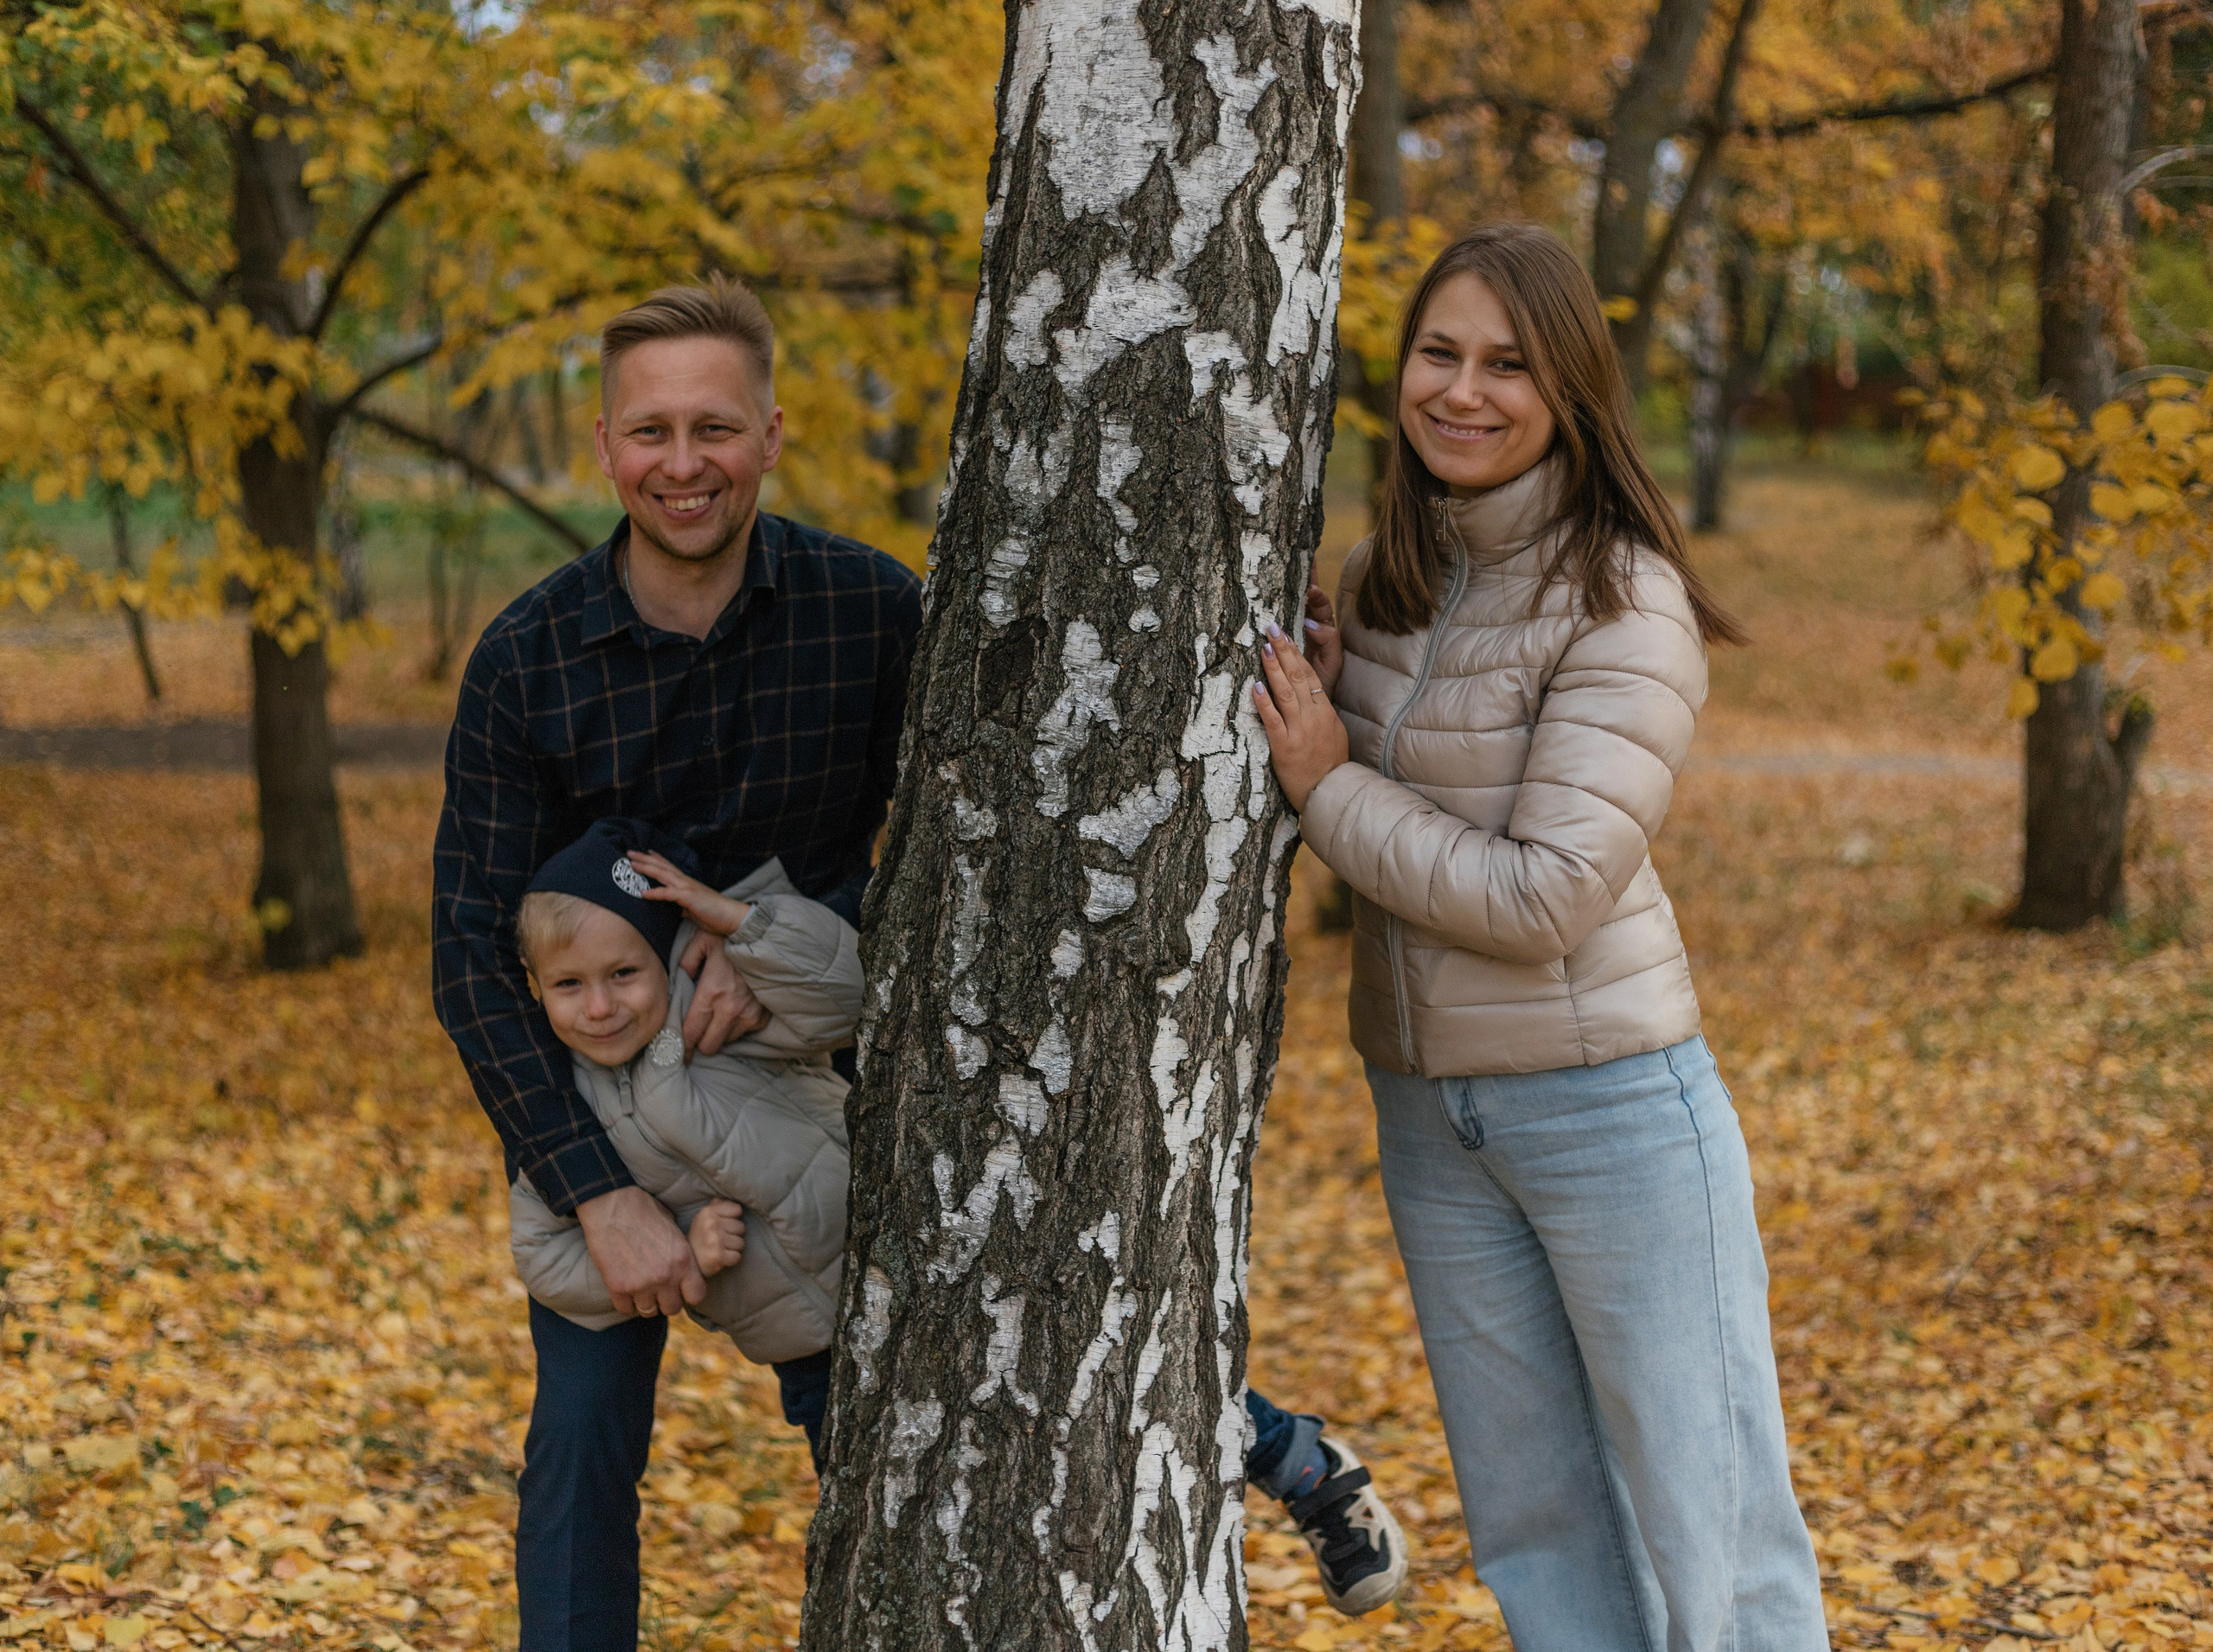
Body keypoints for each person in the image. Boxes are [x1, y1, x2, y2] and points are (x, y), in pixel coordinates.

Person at [432, 277, 1406, 1651]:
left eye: (714, 426)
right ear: (605, 448)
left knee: (895, 1418)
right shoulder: (527, 659)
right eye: (649, 432)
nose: (683, 462)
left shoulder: (869, 611)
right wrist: (594, 1197)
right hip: (603, 1116)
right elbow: (471, 957)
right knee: (580, 1451)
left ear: (772, 433)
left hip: (815, 1109)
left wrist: (801, 937)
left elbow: (978, 827)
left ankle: (1240, 1468)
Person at [1252, 222, 1828, 1650]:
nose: (1466, 390)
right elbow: (1393, 787)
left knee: (1716, 1527)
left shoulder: (1625, 598)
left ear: (1570, 389)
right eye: (1440, 354)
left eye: (1509, 364)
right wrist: (1335, 705)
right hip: (1432, 1116)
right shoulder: (1392, 577)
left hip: (1612, 1108)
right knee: (1539, 1530)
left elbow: (1545, 894)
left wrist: (1328, 782)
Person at [504, 817, 859, 1470]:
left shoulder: (711, 1015)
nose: (602, 1007)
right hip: (806, 1350)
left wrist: (741, 922)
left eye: (623, 973)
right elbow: (541, 1256)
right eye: (569, 985)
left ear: (660, 954)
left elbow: (845, 995)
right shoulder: (568, 1111)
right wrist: (684, 1253)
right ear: (535, 986)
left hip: (906, 1271)